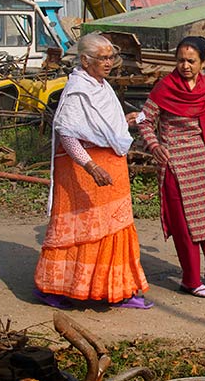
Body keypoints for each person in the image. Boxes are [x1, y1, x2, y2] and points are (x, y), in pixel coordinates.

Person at [34, 33, 153, 309]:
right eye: (102, 58)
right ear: (85, 61)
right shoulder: (78, 90)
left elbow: (100, 127)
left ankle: (117, 290)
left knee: (116, 228)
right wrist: (90, 166)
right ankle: (55, 289)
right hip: (87, 174)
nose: (109, 63)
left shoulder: (101, 86)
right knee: (81, 232)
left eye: (111, 57)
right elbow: (67, 133)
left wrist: (123, 122)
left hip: (112, 171)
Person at [138, 36, 205, 298]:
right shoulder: (165, 87)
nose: (185, 66)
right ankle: (190, 280)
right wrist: (154, 146)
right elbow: (144, 120)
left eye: (191, 61)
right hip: (175, 164)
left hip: (204, 164)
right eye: (180, 60)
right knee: (185, 226)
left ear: (202, 63)